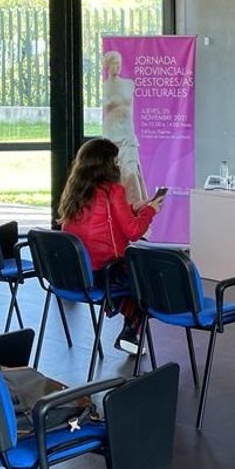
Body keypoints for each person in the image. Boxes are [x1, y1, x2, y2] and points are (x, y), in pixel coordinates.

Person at [59, 138, 165, 353]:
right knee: (147, 280)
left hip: (76, 273)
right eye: (116, 161)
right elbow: (133, 232)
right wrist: (150, 210)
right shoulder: (113, 191)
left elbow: (104, 217)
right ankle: (130, 332)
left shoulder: (76, 191)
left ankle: (125, 322)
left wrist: (134, 208)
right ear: (107, 164)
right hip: (105, 273)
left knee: (132, 279)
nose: (118, 165)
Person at [101, 50, 148, 207]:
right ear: (108, 65)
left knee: (131, 172)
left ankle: (135, 210)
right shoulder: (104, 87)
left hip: (127, 136)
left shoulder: (129, 84)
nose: (118, 66)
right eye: (115, 63)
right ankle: (117, 211)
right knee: (114, 178)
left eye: (119, 64)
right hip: (111, 137)